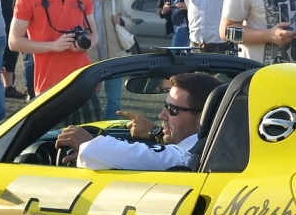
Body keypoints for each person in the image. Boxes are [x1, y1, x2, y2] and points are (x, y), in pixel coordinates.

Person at [57, 72, 223, 171]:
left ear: (203, 118)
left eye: (172, 110)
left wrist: (87, 143)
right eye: (165, 106)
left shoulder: (187, 158)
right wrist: (156, 133)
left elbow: (137, 155)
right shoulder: (222, 146)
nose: (161, 115)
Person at [84, 0, 133, 116]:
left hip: (114, 55)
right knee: (91, 97)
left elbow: (129, 21)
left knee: (114, 99)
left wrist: (121, 20)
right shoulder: (81, 1)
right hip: (90, 57)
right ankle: (93, 127)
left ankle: (109, 130)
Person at [17, 0, 46, 98]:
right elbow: (15, 7)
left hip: (43, 28)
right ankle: (30, 91)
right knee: (29, 62)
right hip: (27, 29)